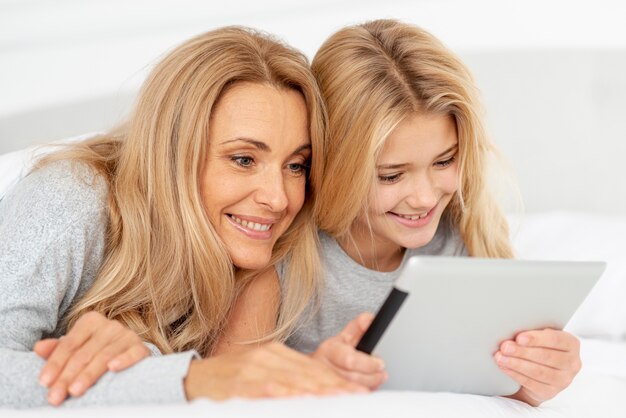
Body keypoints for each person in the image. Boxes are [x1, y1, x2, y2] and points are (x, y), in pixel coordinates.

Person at [0, 26, 367, 409]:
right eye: (243, 159)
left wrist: (301, 377)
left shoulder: (243, 253)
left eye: (296, 165)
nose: (278, 199)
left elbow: (219, 388)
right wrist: (190, 378)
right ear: (173, 157)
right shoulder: (70, 197)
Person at [293, 19, 582, 407]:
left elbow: (490, 380)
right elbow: (231, 379)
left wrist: (535, 379)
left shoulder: (461, 239)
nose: (426, 199)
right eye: (391, 175)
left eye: (445, 161)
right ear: (332, 166)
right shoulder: (288, 256)